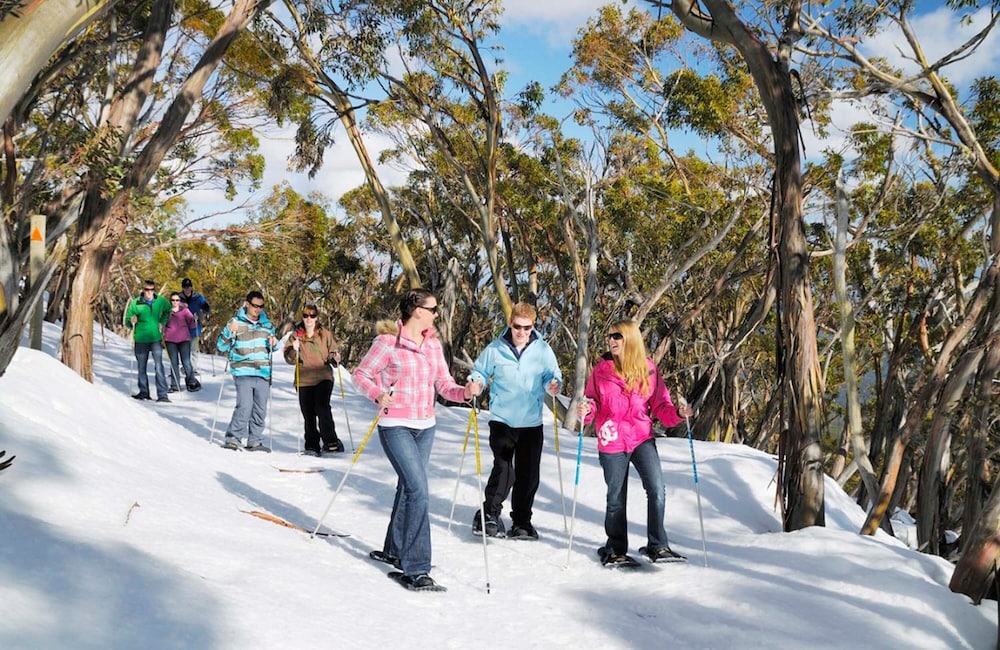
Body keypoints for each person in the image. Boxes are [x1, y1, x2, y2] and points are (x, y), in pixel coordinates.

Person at [353, 289, 483, 591]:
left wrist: (465, 393)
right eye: (433, 309)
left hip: (426, 426)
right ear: (417, 310)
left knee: (409, 488)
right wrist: (377, 394)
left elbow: (444, 385)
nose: (436, 314)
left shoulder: (433, 345)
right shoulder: (388, 342)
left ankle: (395, 549)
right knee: (419, 491)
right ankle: (416, 569)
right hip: (395, 425)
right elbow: (360, 375)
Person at [578, 319, 693, 566]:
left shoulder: (648, 369)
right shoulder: (601, 371)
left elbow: (661, 406)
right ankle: (615, 550)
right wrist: (585, 411)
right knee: (616, 497)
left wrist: (678, 414)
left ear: (630, 339)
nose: (611, 340)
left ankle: (658, 546)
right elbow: (592, 402)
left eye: (617, 336)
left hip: (642, 438)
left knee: (657, 490)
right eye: (610, 336)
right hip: (612, 439)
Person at [468, 302, 562, 540]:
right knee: (504, 469)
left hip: (531, 422)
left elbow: (552, 375)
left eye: (527, 328)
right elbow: (480, 371)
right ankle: (489, 514)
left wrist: (553, 385)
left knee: (528, 474)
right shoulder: (496, 348)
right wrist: (476, 383)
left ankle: (522, 521)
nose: (521, 332)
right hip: (502, 419)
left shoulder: (542, 350)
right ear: (510, 323)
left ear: (533, 326)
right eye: (517, 326)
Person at [217, 290, 279, 452]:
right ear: (247, 304)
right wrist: (230, 331)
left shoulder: (267, 325)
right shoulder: (235, 322)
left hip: (263, 372)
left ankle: (254, 441)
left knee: (260, 409)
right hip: (242, 371)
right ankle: (233, 438)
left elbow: (274, 347)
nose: (257, 309)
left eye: (260, 306)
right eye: (254, 306)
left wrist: (274, 342)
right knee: (245, 406)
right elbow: (221, 346)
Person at [283, 305, 345, 456]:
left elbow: (333, 354)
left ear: (317, 317)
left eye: (312, 316)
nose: (309, 319)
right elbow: (289, 359)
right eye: (306, 316)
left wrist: (336, 358)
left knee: (322, 408)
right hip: (304, 379)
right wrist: (293, 350)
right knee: (308, 413)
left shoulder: (325, 334)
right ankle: (312, 445)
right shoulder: (296, 335)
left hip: (323, 376)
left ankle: (331, 442)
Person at [125, 280, 171, 402]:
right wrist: (131, 321)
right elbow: (127, 320)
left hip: (155, 338)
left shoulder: (160, 301)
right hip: (141, 339)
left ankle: (162, 394)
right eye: (147, 289)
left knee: (159, 366)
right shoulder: (136, 303)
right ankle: (144, 392)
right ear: (143, 290)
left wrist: (162, 322)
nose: (149, 292)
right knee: (141, 367)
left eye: (151, 290)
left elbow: (168, 310)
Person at [163, 292, 197, 393]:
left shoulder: (185, 310)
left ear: (179, 301)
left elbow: (192, 324)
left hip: (184, 339)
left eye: (177, 300)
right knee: (174, 363)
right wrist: (162, 329)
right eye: (173, 300)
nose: (175, 302)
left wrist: (194, 320)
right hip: (170, 340)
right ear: (170, 301)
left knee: (186, 362)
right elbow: (162, 323)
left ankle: (191, 382)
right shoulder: (167, 311)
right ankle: (175, 385)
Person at [180, 277, 210, 370]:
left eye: (189, 287)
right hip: (182, 327)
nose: (187, 289)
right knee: (184, 349)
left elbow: (206, 308)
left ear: (191, 287)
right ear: (182, 288)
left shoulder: (198, 297)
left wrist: (206, 307)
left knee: (194, 348)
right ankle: (185, 367)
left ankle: (192, 368)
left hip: (195, 326)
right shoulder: (179, 298)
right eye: (185, 287)